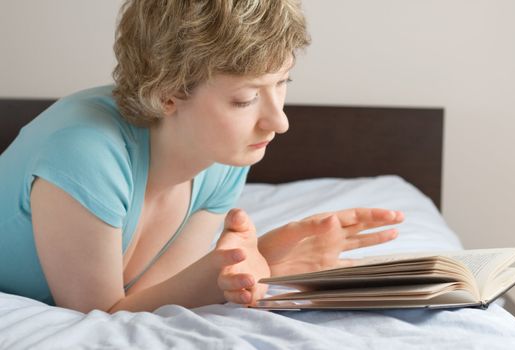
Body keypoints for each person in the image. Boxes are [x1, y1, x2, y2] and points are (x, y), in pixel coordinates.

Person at [0, 0, 404, 314]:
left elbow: (144, 298)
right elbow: (100, 317)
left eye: (282, 83)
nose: (279, 122)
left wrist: (257, 260)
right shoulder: (86, 153)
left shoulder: (224, 157)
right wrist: (219, 273)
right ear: (167, 93)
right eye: (245, 99)